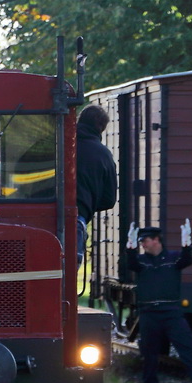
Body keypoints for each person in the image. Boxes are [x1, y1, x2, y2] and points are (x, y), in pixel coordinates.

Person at [126, 220, 192, 383]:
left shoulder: (173, 258)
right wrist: (130, 247)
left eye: (145, 241)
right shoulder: (141, 261)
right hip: (149, 312)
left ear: (156, 240)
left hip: (171, 312)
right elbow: (130, 263)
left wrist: (187, 244)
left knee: (188, 347)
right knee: (149, 355)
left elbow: (187, 260)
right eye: (141, 241)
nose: (143, 244)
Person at [75, 105, 117, 264]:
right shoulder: (103, 154)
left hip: (37, 217)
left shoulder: (54, 144)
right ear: (101, 127)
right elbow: (109, 200)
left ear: (79, 120)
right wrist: (88, 201)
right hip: (77, 217)